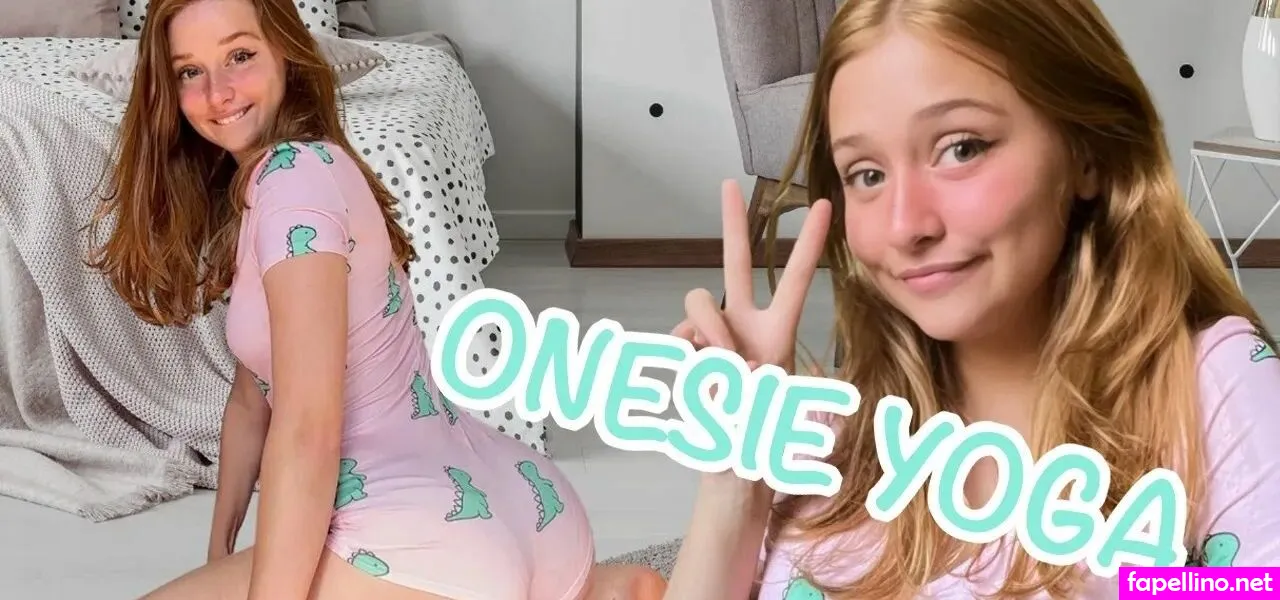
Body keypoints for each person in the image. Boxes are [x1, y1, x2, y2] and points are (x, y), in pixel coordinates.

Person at [664, 0, 1280, 598]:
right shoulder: (828, 437)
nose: (906, 226)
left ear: (1087, 153)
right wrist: (735, 486)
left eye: (961, 148)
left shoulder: (1211, 385)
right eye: (867, 175)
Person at [87, 0, 667, 598]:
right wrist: (220, 552)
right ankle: (604, 589)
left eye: (240, 56)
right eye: (190, 71)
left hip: (422, 538)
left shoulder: (290, 184)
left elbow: (308, 431)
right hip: (521, 500)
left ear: (286, 54)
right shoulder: (300, 172)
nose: (218, 92)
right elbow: (250, 399)